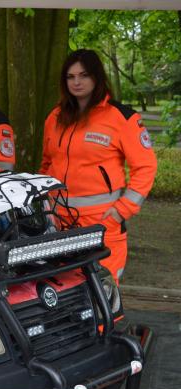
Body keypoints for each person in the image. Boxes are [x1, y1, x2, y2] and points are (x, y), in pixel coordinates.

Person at [40, 49, 157, 284]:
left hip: (102, 224)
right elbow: (46, 165)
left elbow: (146, 167)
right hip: (58, 224)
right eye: (70, 77)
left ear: (96, 77)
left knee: (103, 299)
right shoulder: (55, 117)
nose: (77, 82)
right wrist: (45, 206)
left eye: (83, 75)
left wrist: (120, 211)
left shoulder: (121, 117)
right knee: (65, 298)